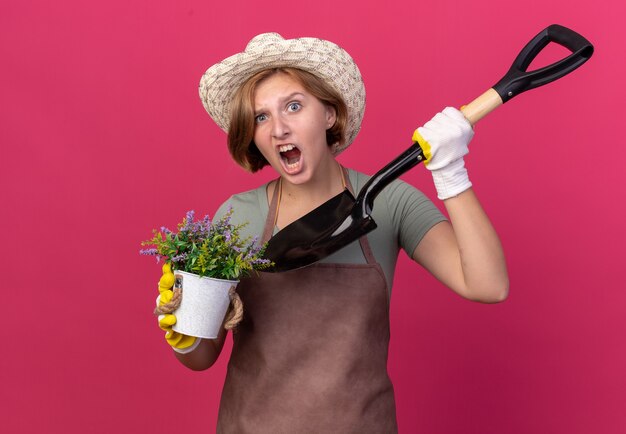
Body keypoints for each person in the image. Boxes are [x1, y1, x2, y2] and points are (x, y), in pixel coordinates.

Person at [155, 33, 509, 432]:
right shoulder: (237, 216)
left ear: (328, 114)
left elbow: (487, 284)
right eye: (261, 117)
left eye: (293, 106)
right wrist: (184, 330)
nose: (279, 129)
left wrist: (450, 172)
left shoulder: (390, 202)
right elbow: (203, 358)